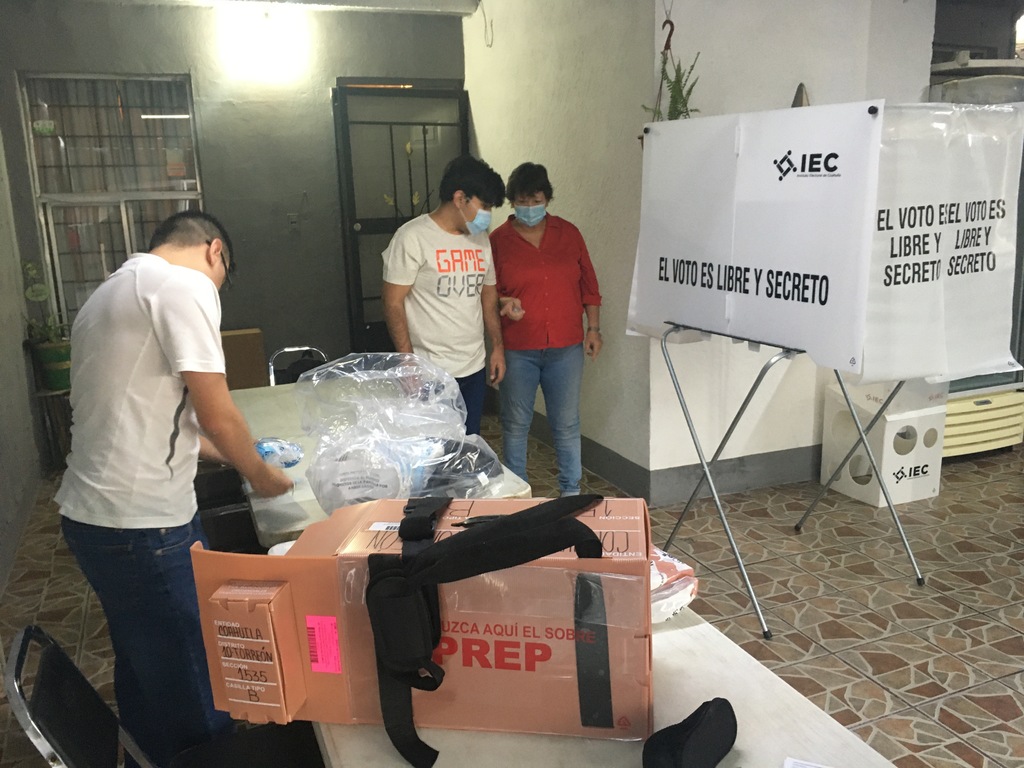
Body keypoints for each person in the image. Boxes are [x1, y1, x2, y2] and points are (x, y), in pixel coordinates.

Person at [55, 210, 293, 767]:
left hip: (97, 518)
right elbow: (217, 414)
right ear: (214, 251)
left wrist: (239, 457)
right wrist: (264, 478)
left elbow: (154, 419)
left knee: (146, 666)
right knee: (193, 676)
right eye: (223, 277)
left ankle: (151, 757)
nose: (218, 290)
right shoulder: (183, 285)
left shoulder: (111, 292)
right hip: (143, 525)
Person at [490, 162, 603, 496]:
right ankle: (517, 496)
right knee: (516, 425)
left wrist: (594, 328)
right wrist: (502, 301)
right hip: (518, 349)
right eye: (521, 202)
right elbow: (486, 293)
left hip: (566, 348)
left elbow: (589, 285)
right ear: (512, 202)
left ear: (547, 199)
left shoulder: (569, 234)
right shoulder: (497, 241)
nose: (529, 208)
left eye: (535, 200)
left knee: (566, 424)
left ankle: (570, 493)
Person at [381, 154, 507, 435]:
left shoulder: (480, 239)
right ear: (460, 198)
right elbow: (393, 301)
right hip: (429, 371)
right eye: (485, 206)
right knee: (433, 448)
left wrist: (497, 347)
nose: (487, 214)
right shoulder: (412, 237)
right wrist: (408, 362)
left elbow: (488, 296)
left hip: (473, 367)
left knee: (468, 442)